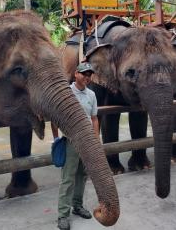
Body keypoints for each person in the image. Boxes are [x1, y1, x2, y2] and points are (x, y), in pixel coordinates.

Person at [52, 62, 100, 230]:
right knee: (68, 178)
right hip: (71, 141)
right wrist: (56, 139)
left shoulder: (92, 95)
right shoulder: (66, 93)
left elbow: (94, 118)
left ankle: (77, 205)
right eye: (84, 74)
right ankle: (63, 215)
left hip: (87, 142)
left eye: (89, 75)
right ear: (76, 74)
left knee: (82, 175)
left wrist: (95, 140)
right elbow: (55, 117)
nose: (87, 77)